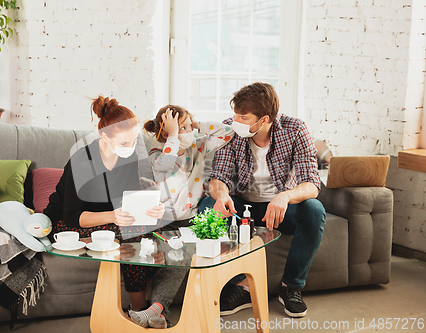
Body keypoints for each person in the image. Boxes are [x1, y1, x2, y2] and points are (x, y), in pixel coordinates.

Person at [43, 95, 186, 328]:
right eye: (124, 143)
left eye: (133, 141)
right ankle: (140, 311)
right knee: (132, 235)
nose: (131, 148)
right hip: (67, 225)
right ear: (105, 136)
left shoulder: (126, 159)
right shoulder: (82, 160)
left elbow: (128, 200)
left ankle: (144, 312)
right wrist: (113, 216)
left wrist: (151, 210)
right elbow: (71, 216)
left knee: (166, 232)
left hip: (113, 221)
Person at [198, 82, 326, 318]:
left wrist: (285, 196)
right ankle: (240, 286)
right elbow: (218, 177)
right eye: (235, 115)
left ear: (264, 119)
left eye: (243, 117)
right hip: (240, 206)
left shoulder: (295, 129)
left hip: (279, 209)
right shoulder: (230, 130)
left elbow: (311, 184)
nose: (236, 121)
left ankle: (291, 287)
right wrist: (222, 194)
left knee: (314, 210)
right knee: (207, 209)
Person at [143, 105, 234, 229]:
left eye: (190, 126)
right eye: (183, 128)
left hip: (194, 217)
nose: (189, 131)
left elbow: (228, 132)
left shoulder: (198, 147)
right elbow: (167, 162)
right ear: (166, 134)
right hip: (165, 220)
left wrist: (196, 124)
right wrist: (173, 134)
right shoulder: (156, 155)